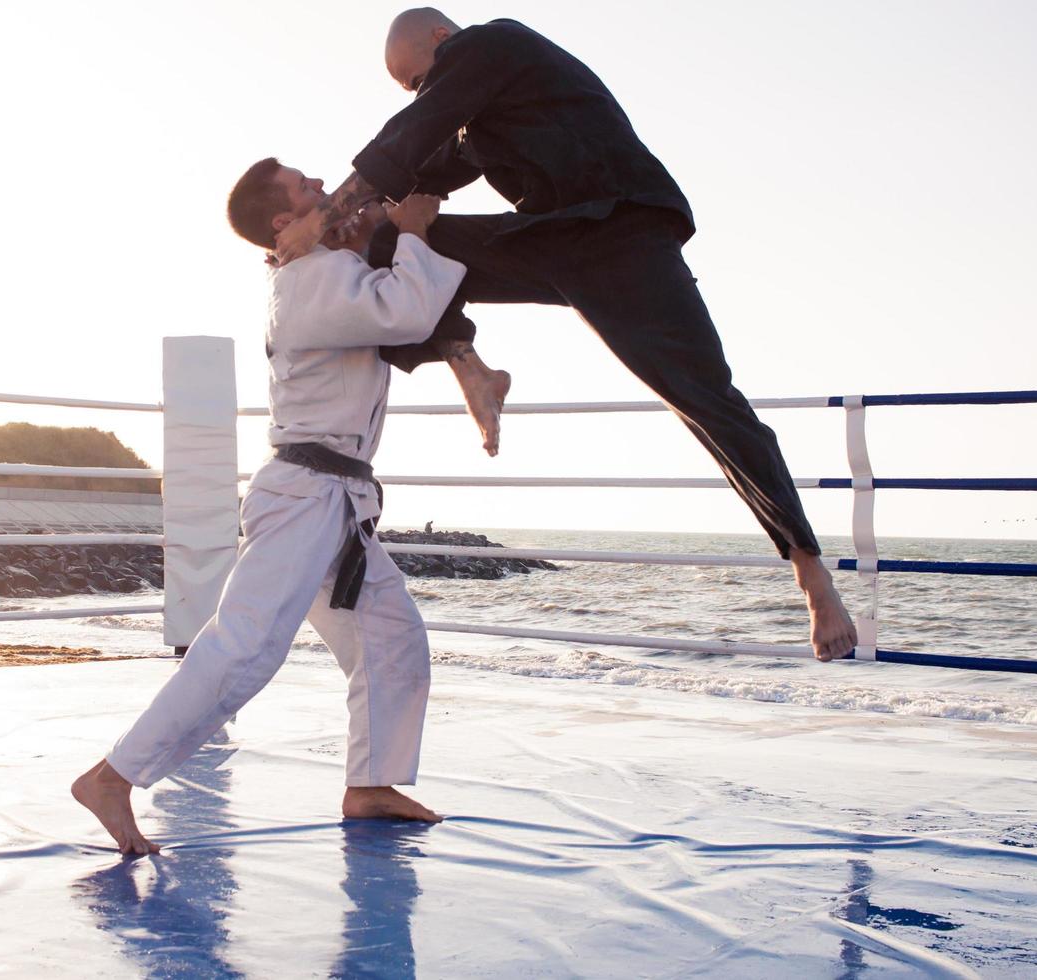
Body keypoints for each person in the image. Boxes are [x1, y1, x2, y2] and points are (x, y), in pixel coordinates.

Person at [273, 8, 858, 662]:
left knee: (703, 396)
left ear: (442, 39)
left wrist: (324, 213)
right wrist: (353, 222)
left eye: (416, 78)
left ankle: (808, 568)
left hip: (622, 236)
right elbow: (423, 170)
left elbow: (415, 130)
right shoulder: (478, 116)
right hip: (546, 241)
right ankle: (471, 365)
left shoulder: (494, 44)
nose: (419, 92)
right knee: (389, 243)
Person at [71, 164, 460, 854]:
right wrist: (414, 235)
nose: (321, 182)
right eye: (306, 186)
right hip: (306, 499)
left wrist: (374, 230)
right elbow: (406, 312)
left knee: (392, 639)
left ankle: (371, 784)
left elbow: (377, 291)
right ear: (282, 223)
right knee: (245, 646)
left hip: (333, 501)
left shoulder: (313, 270)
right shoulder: (306, 284)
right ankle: (113, 776)